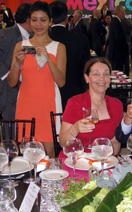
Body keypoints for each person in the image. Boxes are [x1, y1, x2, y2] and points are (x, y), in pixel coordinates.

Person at [7, 1, 66, 158]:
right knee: (27, 153)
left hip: (49, 105)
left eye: (43, 20)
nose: (38, 24)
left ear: (50, 21)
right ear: (29, 21)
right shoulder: (21, 45)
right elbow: (12, 82)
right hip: (26, 103)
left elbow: (61, 82)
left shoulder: (59, 47)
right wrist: (18, 64)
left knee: (49, 152)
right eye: (34, 20)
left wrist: (48, 59)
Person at [59, 57, 123, 156]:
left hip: (104, 160)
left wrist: (104, 159)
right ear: (87, 78)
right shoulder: (74, 103)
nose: (102, 79)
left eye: (106, 74)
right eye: (96, 74)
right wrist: (75, 128)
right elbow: (63, 142)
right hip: (76, 159)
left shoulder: (117, 105)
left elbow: (115, 142)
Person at [49, 1, 90, 110]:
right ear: (67, 18)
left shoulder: (43, 39)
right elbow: (85, 69)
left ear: (49, 19)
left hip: (48, 94)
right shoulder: (81, 40)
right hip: (75, 93)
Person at [0, 3, 32, 121]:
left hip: (27, 89)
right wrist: (8, 75)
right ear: (29, 20)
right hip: (9, 90)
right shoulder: (5, 34)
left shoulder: (33, 37)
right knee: (11, 128)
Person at [107, 5, 128, 73]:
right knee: (117, 72)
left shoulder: (115, 21)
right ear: (120, 12)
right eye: (124, 12)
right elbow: (118, 38)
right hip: (117, 53)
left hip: (116, 52)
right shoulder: (116, 22)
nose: (125, 13)